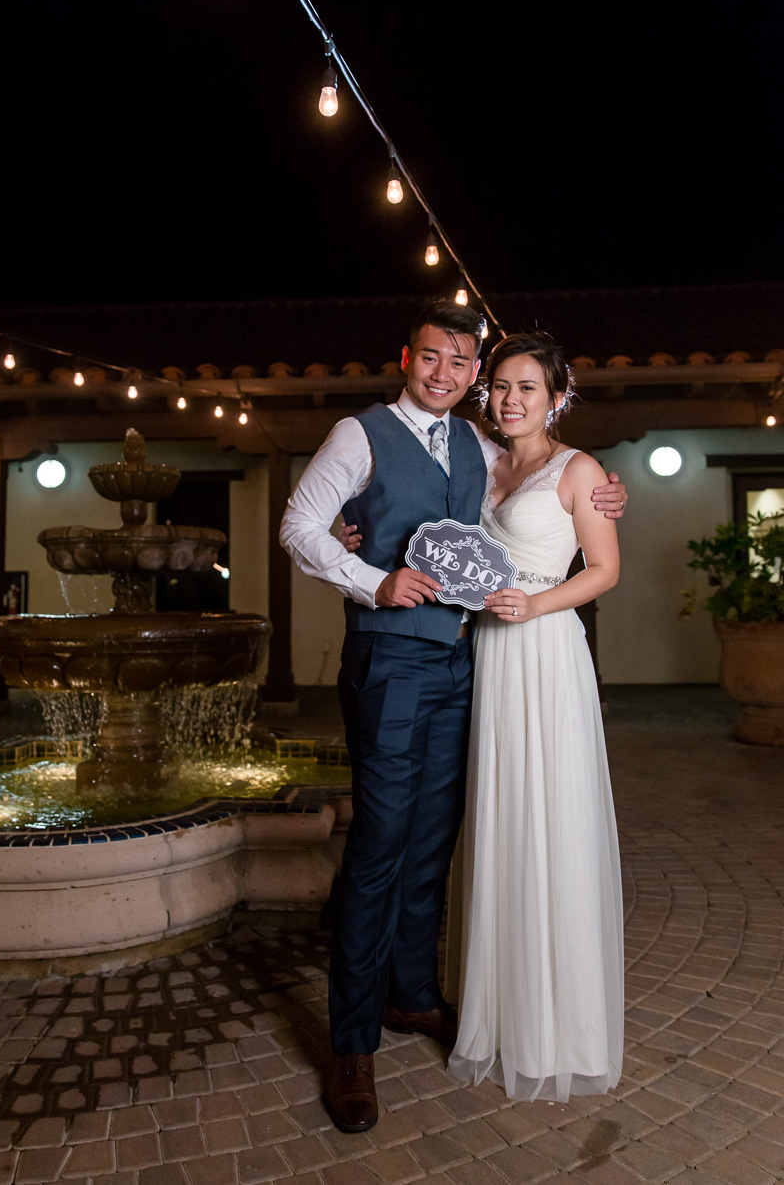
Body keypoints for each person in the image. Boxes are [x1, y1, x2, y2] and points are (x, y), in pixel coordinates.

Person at [280, 300, 627, 1133]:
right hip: (391, 661)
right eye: (434, 357)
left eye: (463, 364)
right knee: (380, 844)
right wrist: (371, 577)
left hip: (468, 663)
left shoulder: (481, 447)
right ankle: (352, 1043)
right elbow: (300, 524)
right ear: (408, 357)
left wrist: (606, 491)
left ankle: (410, 994)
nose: (449, 374)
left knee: (435, 836)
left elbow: (537, 494)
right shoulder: (359, 435)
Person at [447, 331, 624, 1101]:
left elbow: (606, 569)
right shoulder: (482, 463)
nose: (511, 399)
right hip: (488, 655)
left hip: (544, 652)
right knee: (500, 814)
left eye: (528, 387)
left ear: (558, 397)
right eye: (501, 387)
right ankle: (497, 1009)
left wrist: (535, 602)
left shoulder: (578, 469)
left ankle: (558, 1024)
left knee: (549, 817)